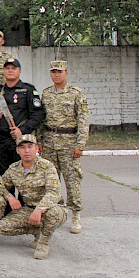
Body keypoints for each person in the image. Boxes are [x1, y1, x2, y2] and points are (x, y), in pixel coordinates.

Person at [38, 60, 89, 234]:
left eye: (59, 71)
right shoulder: (46, 93)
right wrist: (39, 140)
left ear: (66, 73)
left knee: (72, 179)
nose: (56, 74)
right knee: (51, 179)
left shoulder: (76, 93)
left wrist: (80, 144)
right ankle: (55, 212)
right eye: (53, 71)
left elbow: (83, 120)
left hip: (69, 142)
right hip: (49, 142)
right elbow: (42, 119)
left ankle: (76, 214)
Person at [0, 134, 67, 259]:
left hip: (52, 208)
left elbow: (54, 192)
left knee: (53, 214)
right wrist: (10, 197)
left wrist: (39, 210)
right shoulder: (14, 169)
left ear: (37, 149)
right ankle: (38, 231)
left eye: (30, 146)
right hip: (29, 208)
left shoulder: (47, 166)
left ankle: (43, 243)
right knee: (3, 227)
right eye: (22, 147)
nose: (27, 151)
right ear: (17, 150)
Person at [0, 58, 45, 175]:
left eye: (13, 68)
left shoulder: (28, 90)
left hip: (20, 139)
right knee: (3, 174)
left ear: (19, 71)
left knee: (23, 173)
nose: (10, 71)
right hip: (2, 139)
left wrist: (22, 130)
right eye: (7, 68)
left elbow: (38, 115)